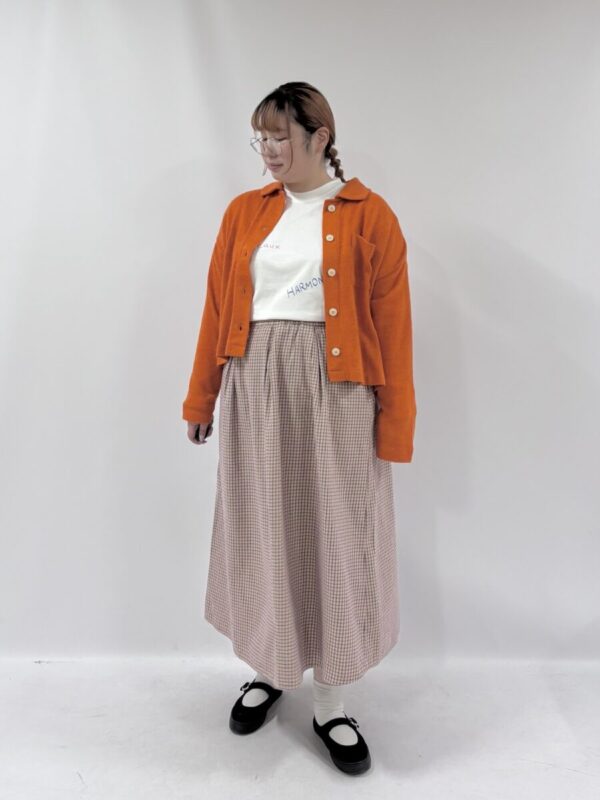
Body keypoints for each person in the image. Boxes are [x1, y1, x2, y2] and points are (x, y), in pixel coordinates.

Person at [182, 81, 416, 775]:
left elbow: (394, 328)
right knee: (264, 525)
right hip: (255, 382)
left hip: (338, 391)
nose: (268, 150)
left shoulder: (371, 216)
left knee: (339, 531)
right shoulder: (244, 212)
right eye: (260, 137)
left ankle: (332, 703)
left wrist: (396, 424)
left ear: (320, 136)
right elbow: (216, 305)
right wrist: (201, 399)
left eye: (280, 136)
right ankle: (269, 668)